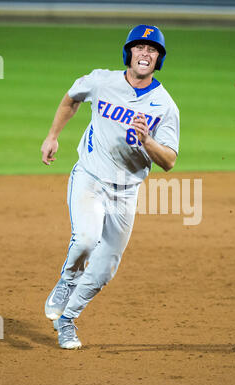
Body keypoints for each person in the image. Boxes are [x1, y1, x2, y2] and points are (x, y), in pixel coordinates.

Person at [41, 24, 180, 350]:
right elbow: (71, 99)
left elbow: (170, 160)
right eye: (139, 47)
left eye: (152, 49)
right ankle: (67, 278)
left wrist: (147, 142)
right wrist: (52, 136)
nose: (145, 53)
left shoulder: (165, 106)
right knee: (87, 239)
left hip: (126, 192)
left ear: (158, 58)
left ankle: (67, 320)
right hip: (90, 176)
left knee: (105, 269)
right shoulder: (102, 80)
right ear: (129, 52)